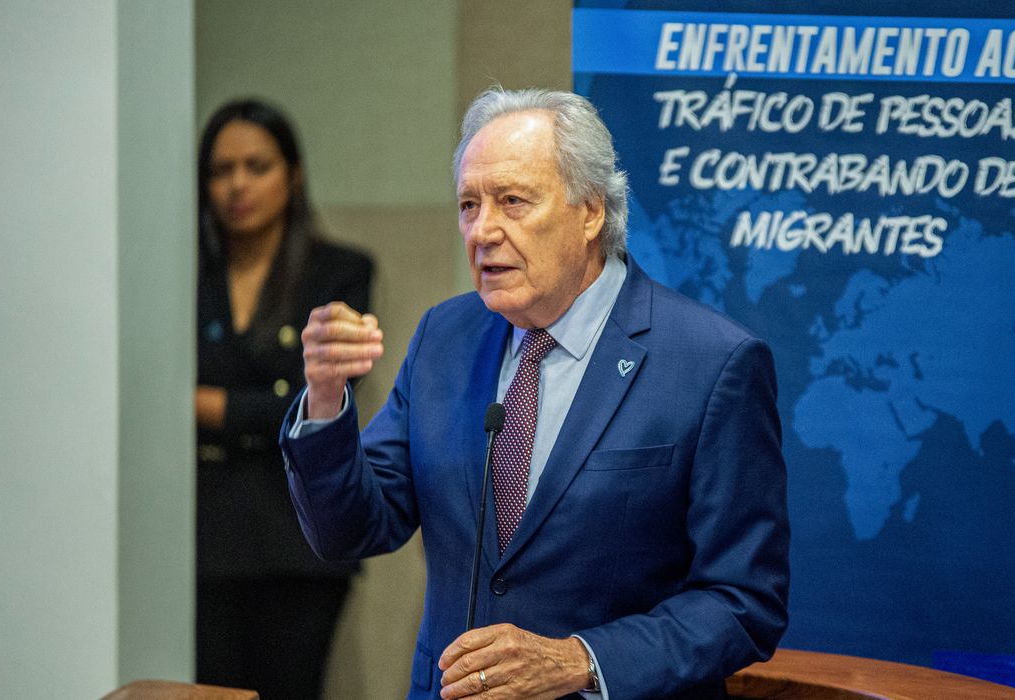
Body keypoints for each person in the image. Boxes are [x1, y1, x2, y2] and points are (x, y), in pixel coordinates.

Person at [280, 88, 788, 699]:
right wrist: (326, 397)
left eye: (513, 202)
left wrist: (581, 659)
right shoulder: (445, 335)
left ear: (590, 211)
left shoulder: (712, 363)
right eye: (469, 205)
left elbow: (742, 602)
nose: (483, 230)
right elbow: (354, 529)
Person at [195, 98, 373, 699]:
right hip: (201, 534)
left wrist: (208, 407)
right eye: (221, 170)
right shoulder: (182, 272)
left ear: (292, 174)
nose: (237, 185)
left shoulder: (338, 271)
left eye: (256, 166)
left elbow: (323, 397)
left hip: (296, 534)